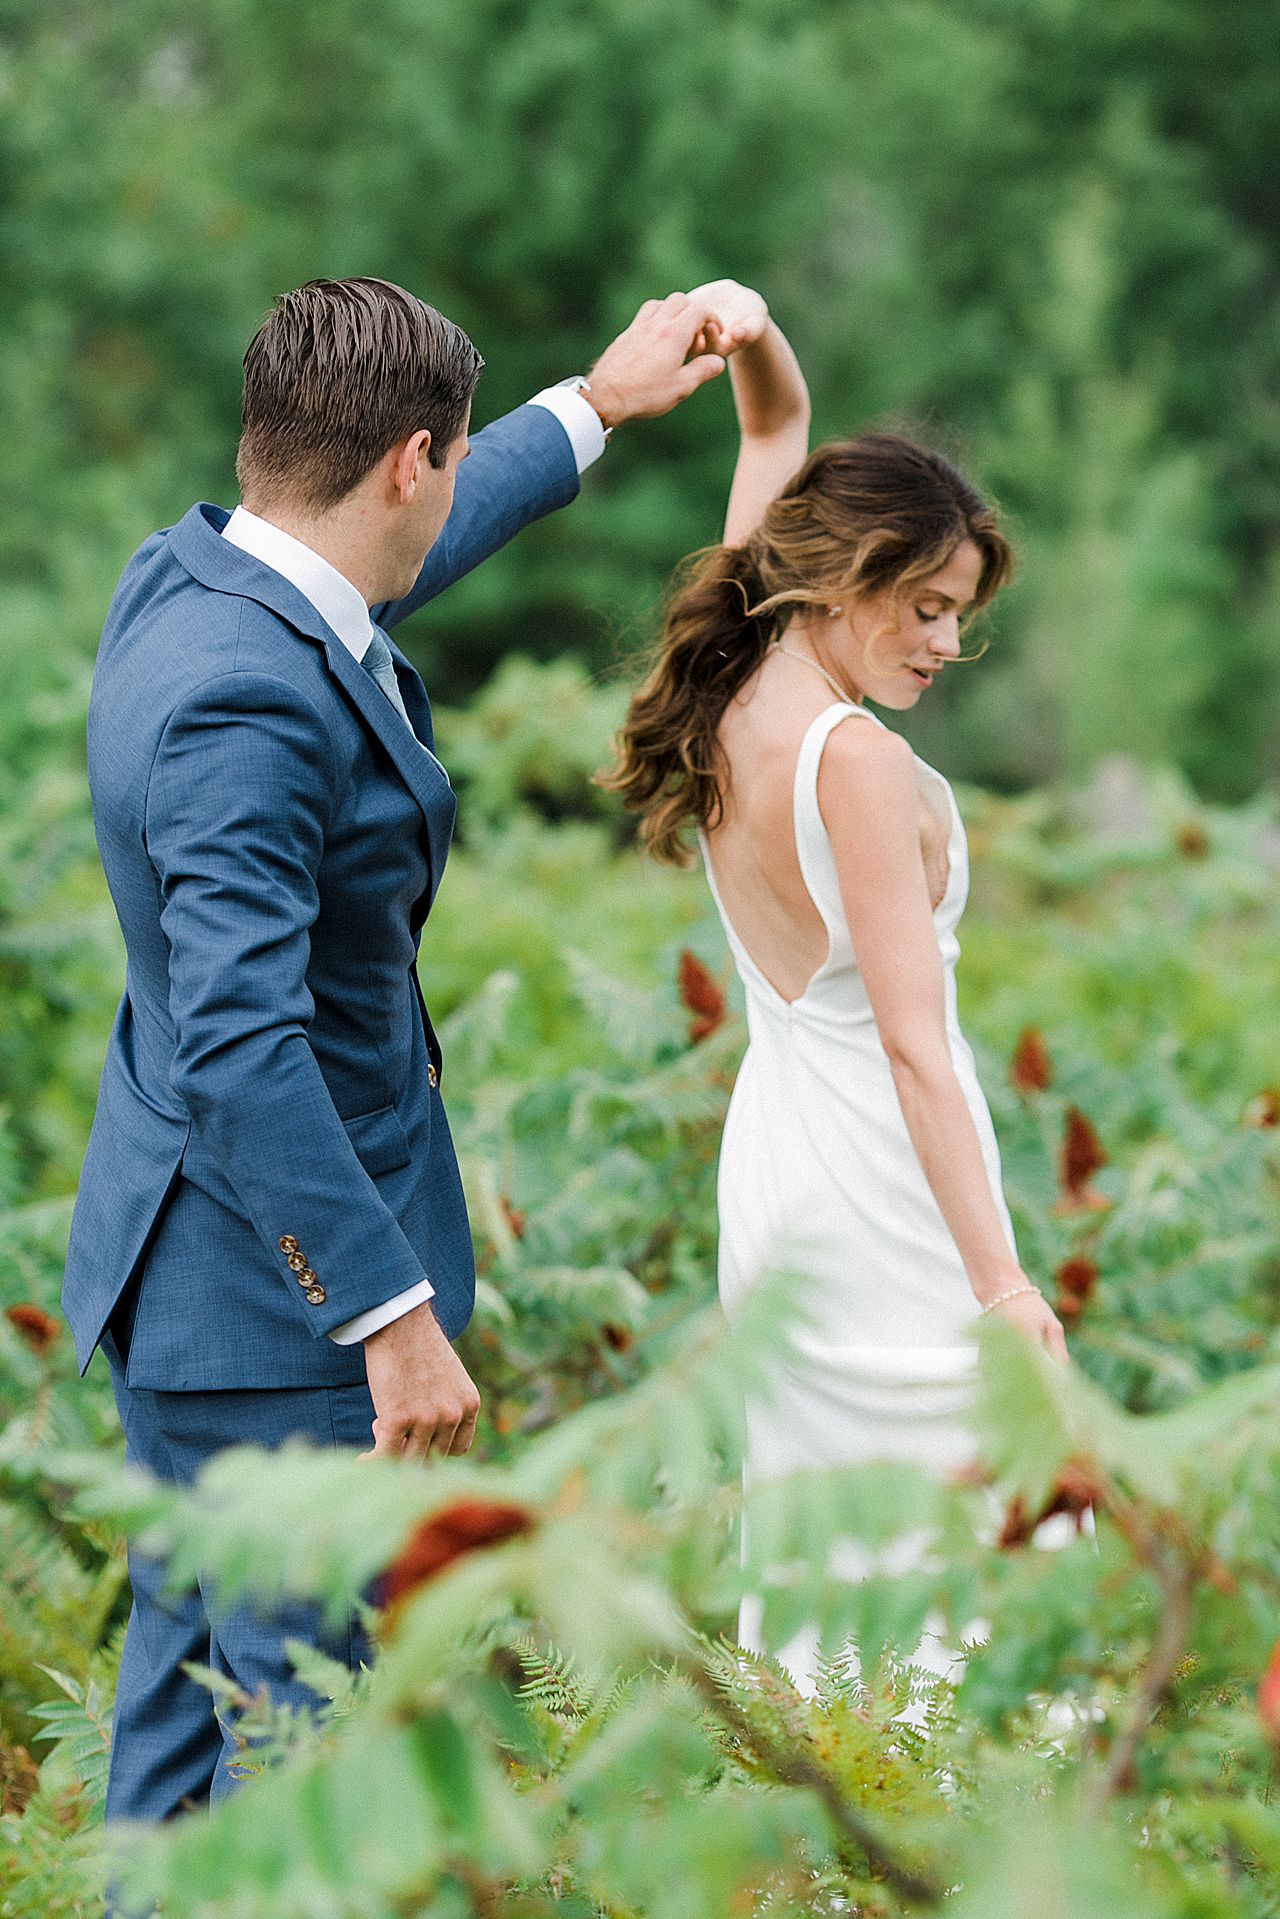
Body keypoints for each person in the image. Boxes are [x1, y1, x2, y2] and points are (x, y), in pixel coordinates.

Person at [64, 275, 746, 1829]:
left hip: (179, 1288)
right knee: (306, 1761)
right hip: (276, 1322)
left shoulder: (187, 586)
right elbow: (244, 1041)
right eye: (441, 466)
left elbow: (377, 569)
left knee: (178, 1741)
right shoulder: (246, 702)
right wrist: (387, 1316)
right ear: (404, 463)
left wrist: (600, 403)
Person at [604, 279, 1068, 1687]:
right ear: (847, 575)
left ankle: (849, 1848)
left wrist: (747, 331)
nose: (943, 643)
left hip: (782, 1157)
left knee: (837, 1542)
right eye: (924, 607)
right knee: (976, 1538)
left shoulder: (740, 674)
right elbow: (920, 1051)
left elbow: (780, 419)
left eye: (960, 616)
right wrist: (1005, 1296)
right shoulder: (853, 762)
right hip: (881, 1179)